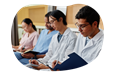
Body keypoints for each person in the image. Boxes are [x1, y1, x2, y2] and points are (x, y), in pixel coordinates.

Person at [52, 5, 104, 72]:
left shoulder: (106, 43)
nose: (79, 30)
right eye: (78, 25)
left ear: (94, 24)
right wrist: (62, 64)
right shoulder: (82, 35)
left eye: (82, 26)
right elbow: (75, 56)